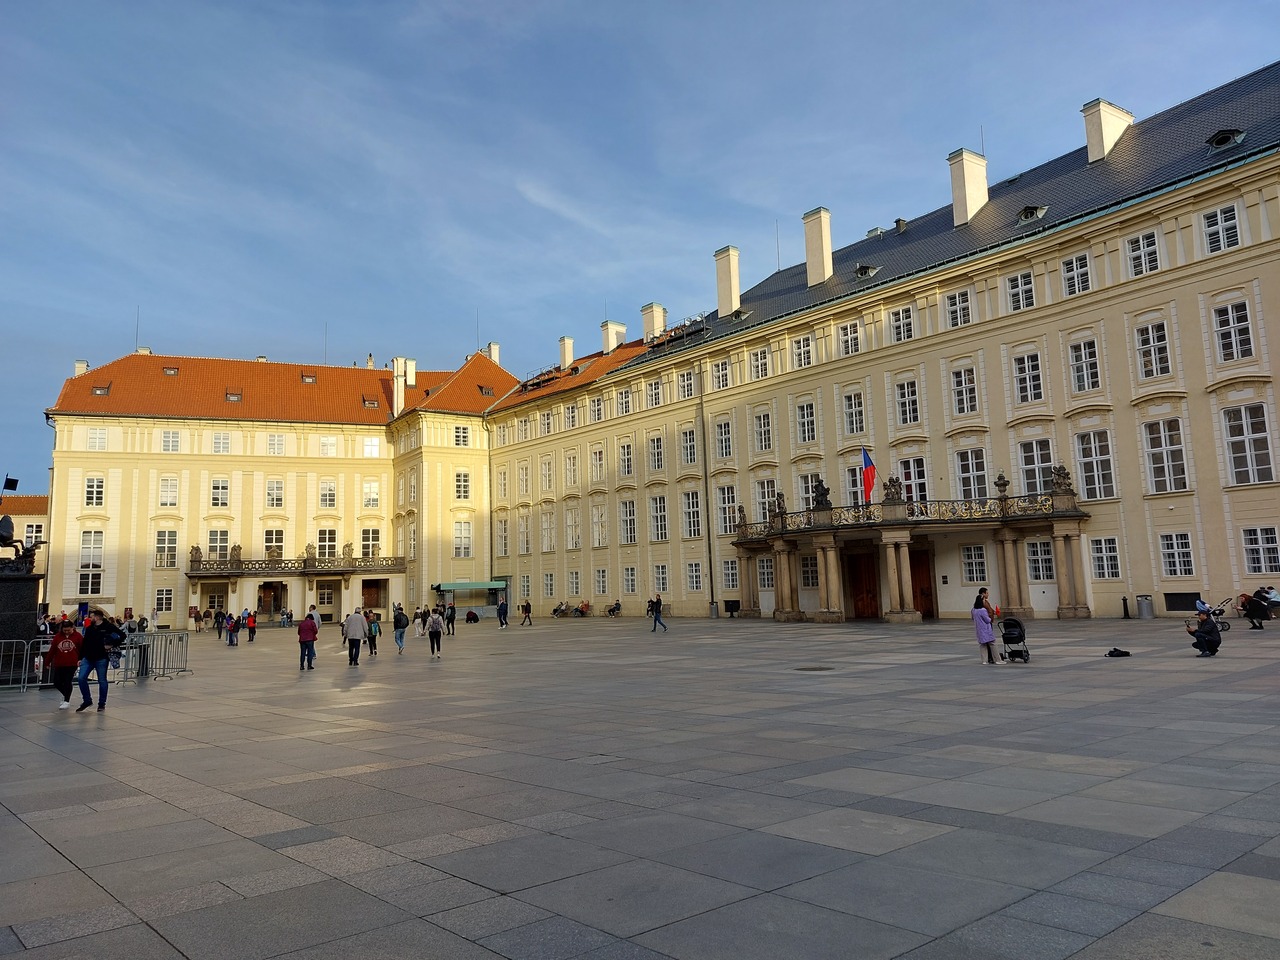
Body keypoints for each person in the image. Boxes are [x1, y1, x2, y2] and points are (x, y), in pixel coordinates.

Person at [77, 608, 122, 711]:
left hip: (101, 657)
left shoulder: (108, 626)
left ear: (97, 617)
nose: (90, 618)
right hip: (88, 657)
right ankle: (87, 700)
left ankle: (102, 703)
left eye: (92, 616)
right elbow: (85, 643)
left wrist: (112, 644)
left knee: (102, 680)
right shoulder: (89, 628)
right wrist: (80, 657)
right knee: (81, 678)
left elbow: (122, 635)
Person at [48, 619, 84, 709]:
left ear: (72, 628)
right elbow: (52, 650)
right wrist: (47, 662)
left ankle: (66, 700)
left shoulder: (78, 636)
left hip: (72, 663)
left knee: (68, 681)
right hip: (59, 663)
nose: (67, 632)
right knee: (57, 682)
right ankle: (66, 694)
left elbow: (82, 649)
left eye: (69, 630)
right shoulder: (58, 637)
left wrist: (81, 659)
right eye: (65, 630)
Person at [972, 591, 1000, 664]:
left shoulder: (973, 610)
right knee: (992, 643)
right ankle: (997, 659)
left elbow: (972, 618)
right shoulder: (983, 610)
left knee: (982, 644)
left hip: (978, 629)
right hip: (986, 628)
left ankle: (984, 660)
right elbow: (987, 620)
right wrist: (990, 619)